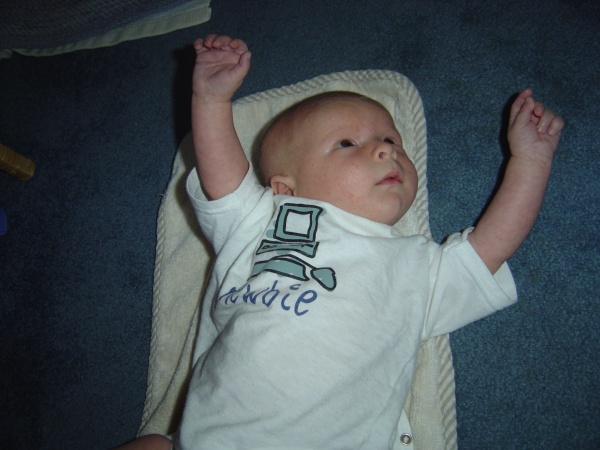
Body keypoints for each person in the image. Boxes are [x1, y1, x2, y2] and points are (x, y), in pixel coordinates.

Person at [117, 34, 563, 449]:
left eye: (390, 139)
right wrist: (211, 101)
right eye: (347, 143)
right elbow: (223, 178)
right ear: (286, 189)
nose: (386, 150)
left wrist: (531, 161)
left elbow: (488, 248)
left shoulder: (413, 265)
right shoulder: (264, 219)